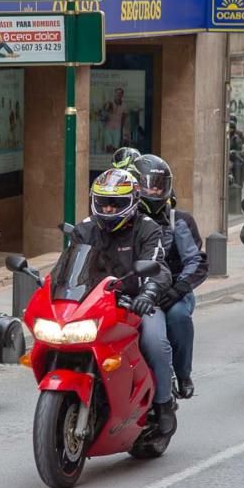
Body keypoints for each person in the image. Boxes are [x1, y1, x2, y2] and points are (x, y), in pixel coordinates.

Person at [72, 168, 176, 434]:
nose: (108, 208)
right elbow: (69, 267)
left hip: (134, 303)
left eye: (116, 203)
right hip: (92, 305)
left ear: (132, 201)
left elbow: (159, 266)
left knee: (156, 342)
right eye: (103, 202)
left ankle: (164, 405)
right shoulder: (84, 230)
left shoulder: (147, 228)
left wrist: (149, 294)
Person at [132, 154, 208, 400]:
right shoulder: (126, 220)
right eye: (148, 185)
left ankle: (182, 374)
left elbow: (196, 262)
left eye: (159, 185)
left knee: (177, 317)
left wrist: (177, 290)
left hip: (174, 293)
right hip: (136, 291)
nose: (154, 191)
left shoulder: (179, 220)